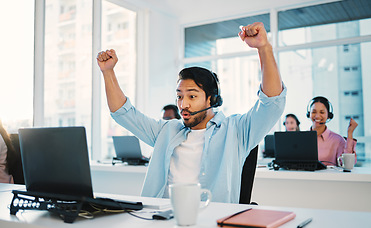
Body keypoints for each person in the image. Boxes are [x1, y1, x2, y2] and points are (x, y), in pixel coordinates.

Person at [97, 22, 286, 203]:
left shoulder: (236, 131)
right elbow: (124, 113)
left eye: (192, 97)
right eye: (179, 96)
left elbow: (272, 103)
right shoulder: (167, 131)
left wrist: (264, 48)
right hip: (159, 220)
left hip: (211, 224)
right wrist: (108, 73)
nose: (183, 104)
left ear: (211, 99)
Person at [307, 96, 358, 166]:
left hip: (328, 177)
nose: (317, 116)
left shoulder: (338, 140)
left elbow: (347, 164)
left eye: (322, 112)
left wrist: (350, 133)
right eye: (314, 112)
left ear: (328, 115)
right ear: (309, 114)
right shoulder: (302, 138)